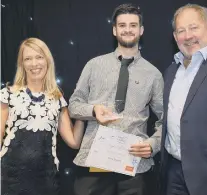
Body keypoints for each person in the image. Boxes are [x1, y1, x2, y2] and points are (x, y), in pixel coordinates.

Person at [68, 3, 163, 195]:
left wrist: (153, 144)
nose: (127, 30)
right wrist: (94, 111)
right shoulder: (94, 65)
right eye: (122, 25)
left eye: (133, 25)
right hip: (94, 163)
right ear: (114, 30)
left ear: (141, 30)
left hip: (133, 165)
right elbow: (73, 106)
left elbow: (166, 119)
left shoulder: (153, 74)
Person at [160, 4, 207, 195]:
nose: (188, 36)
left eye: (193, 28)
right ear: (175, 37)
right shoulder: (170, 71)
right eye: (181, 31)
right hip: (173, 172)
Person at [0, 37, 84, 195]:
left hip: (46, 180)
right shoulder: (7, 95)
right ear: (22, 64)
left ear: (47, 61)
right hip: (9, 179)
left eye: (39, 57)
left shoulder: (57, 99)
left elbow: (74, 142)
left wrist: (83, 114)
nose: (34, 64)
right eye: (28, 59)